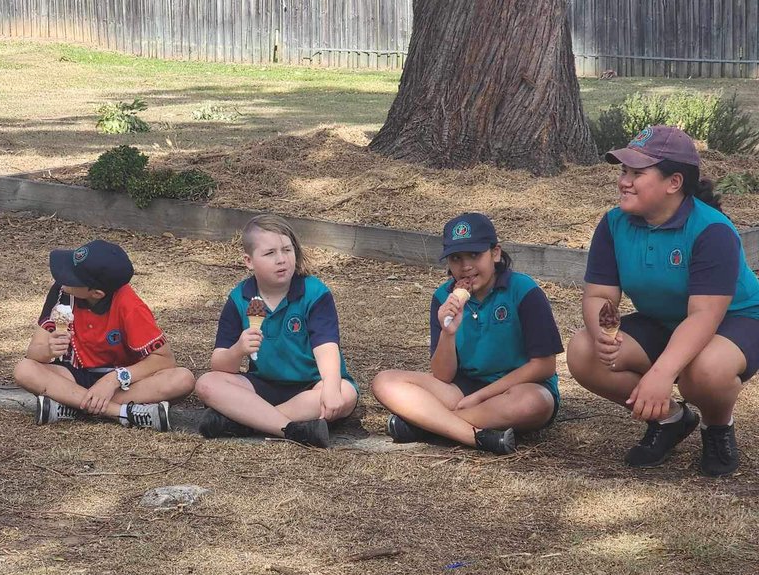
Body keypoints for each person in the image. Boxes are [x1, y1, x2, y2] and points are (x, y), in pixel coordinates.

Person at [567, 125, 759, 477]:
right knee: (584, 351)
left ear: (674, 182)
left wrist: (661, 373)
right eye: (624, 171)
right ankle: (670, 418)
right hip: (664, 319)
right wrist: (601, 334)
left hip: (734, 320)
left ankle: (717, 426)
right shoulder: (613, 224)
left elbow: (703, 316)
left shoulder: (712, 230)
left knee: (702, 372)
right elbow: (599, 295)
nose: (625, 182)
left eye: (637, 174)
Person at [370, 213, 563, 455]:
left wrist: (481, 396)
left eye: (475, 255)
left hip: (518, 388)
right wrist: (448, 332)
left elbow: (544, 365)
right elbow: (442, 375)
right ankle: (474, 436)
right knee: (385, 381)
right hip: (463, 389)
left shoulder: (524, 290)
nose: (466, 266)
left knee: (533, 403)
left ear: (495, 253)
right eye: (456, 258)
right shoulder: (443, 297)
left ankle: (428, 424)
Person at [194, 214, 358, 448]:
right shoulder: (239, 298)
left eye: (287, 250)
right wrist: (238, 349)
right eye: (270, 253)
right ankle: (292, 428)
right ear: (249, 261)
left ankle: (247, 421)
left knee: (346, 394)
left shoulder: (314, 292)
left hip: (312, 384)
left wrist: (331, 389)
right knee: (207, 383)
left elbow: (326, 348)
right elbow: (220, 365)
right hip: (263, 385)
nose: (281, 259)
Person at [13, 239, 194, 431]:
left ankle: (71, 405)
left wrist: (113, 379)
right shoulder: (62, 291)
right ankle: (122, 413)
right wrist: (48, 350)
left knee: (183, 379)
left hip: (123, 382)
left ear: (97, 293)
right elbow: (33, 353)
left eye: (72, 277)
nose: (63, 278)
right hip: (73, 375)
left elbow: (164, 360)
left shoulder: (130, 306)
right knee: (24, 369)